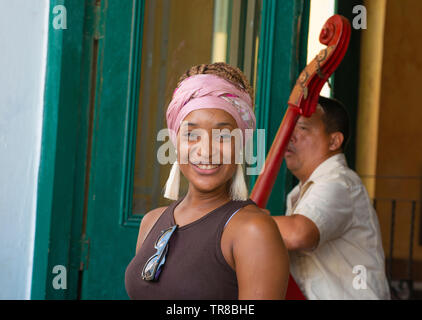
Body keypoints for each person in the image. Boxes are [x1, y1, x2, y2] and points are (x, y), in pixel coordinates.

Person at [125, 62, 289, 300]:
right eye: (191, 135)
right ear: (175, 142)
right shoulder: (151, 222)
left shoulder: (252, 231)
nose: (206, 150)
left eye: (223, 136)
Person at [272, 96, 390, 299]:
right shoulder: (300, 192)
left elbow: (298, 233)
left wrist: (239, 220)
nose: (289, 136)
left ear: (334, 141)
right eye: (290, 127)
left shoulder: (339, 182)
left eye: (302, 128)